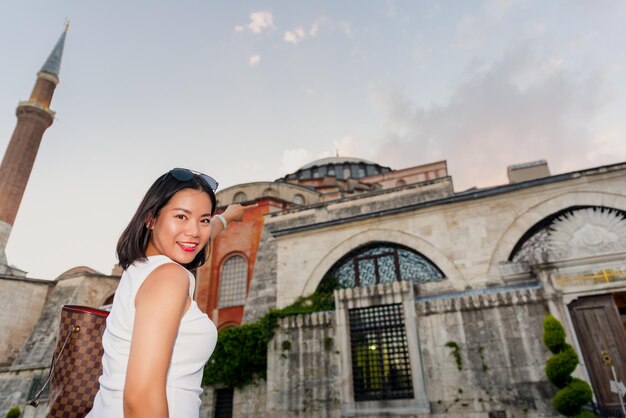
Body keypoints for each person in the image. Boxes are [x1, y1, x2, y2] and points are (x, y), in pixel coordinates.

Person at [86, 168, 253, 418]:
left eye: (204, 220)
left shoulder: (141, 268)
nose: (195, 232)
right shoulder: (169, 278)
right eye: (181, 217)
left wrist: (225, 218)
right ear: (151, 218)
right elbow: (140, 397)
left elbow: (195, 238)